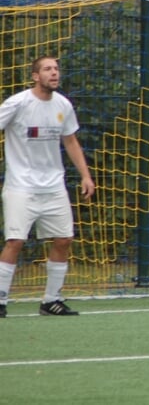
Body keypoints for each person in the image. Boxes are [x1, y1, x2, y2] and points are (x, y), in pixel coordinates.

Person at [0, 56, 96, 319]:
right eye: (47, 69)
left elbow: (71, 141)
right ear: (35, 76)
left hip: (54, 186)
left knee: (64, 239)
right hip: (21, 187)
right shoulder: (18, 104)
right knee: (15, 241)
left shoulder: (63, 105)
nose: (54, 73)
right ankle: (1, 299)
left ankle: (51, 300)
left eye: (56, 69)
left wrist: (86, 176)